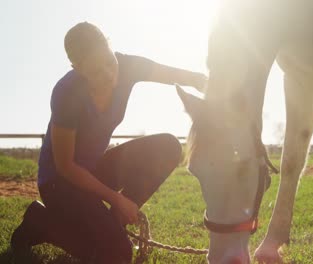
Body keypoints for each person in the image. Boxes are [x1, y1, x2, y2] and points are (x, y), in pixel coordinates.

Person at [10, 22, 206, 263]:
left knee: (168, 147)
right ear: (77, 68)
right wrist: (117, 199)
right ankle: (40, 221)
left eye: (109, 62)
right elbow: (65, 166)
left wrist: (204, 81)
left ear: (111, 48)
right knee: (117, 255)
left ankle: (112, 227)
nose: (108, 75)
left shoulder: (126, 66)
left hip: (93, 171)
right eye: (96, 71)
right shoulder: (66, 93)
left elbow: (172, 74)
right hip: (59, 184)